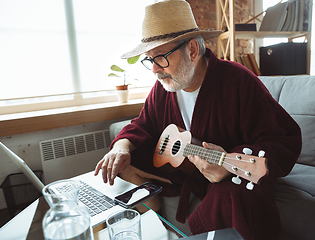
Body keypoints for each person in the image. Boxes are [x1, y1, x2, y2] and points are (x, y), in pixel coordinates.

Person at [94, 0, 302, 239]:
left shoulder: (238, 81)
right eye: (149, 59)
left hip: (225, 177)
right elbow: (142, 124)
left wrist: (227, 165)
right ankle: (157, 224)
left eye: (160, 57)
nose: (154, 69)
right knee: (124, 161)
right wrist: (120, 148)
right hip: (184, 171)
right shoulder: (164, 87)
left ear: (192, 50)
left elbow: (282, 138)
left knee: (239, 194)